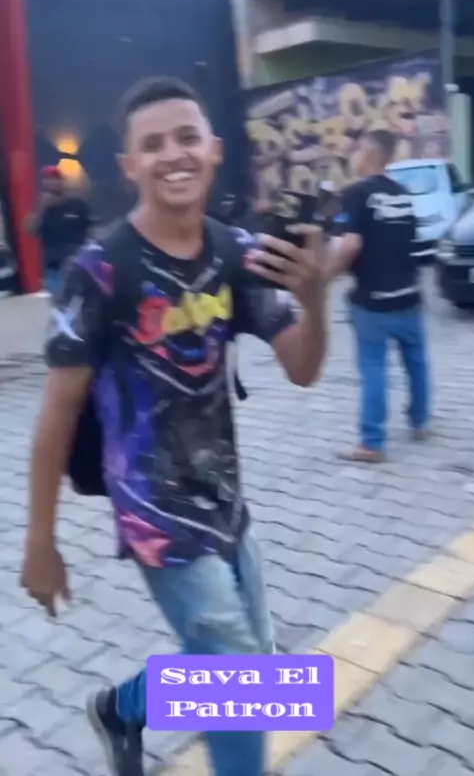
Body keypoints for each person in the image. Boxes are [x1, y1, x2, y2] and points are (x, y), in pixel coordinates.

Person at [21, 77, 328, 776]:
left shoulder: (237, 253)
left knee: (247, 667)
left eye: (187, 137)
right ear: (129, 165)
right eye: (153, 144)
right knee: (248, 683)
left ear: (214, 150)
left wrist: (316, 301)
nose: (173, 155)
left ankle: (124, 707)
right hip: (154, 511)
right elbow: (57, 413)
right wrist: (41, 543)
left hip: (227, 501)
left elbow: (304, 370)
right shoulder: (100, 272)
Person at [326, 129, 429, 462]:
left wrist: (326, 277)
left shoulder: (356, 193)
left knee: (374, 367)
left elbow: (350, 245)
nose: (353, 156)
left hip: (373, 300)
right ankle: (420, 422)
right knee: (416, 361)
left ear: (369, 153)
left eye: (357, 150)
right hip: (409, 295)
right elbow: (411, 243)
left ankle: (372, 442)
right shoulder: (404, 195)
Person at [26, 165, 92, 295]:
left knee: (82, 299)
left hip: (78, 265)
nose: (52, 182)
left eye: (55, 179)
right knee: (59, 301)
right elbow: (29, 230)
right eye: (48, 179)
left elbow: (91, 233)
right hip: (53, 268)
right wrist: (40, 209)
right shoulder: (43, 207)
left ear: (62, 182)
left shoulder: (77, 204)